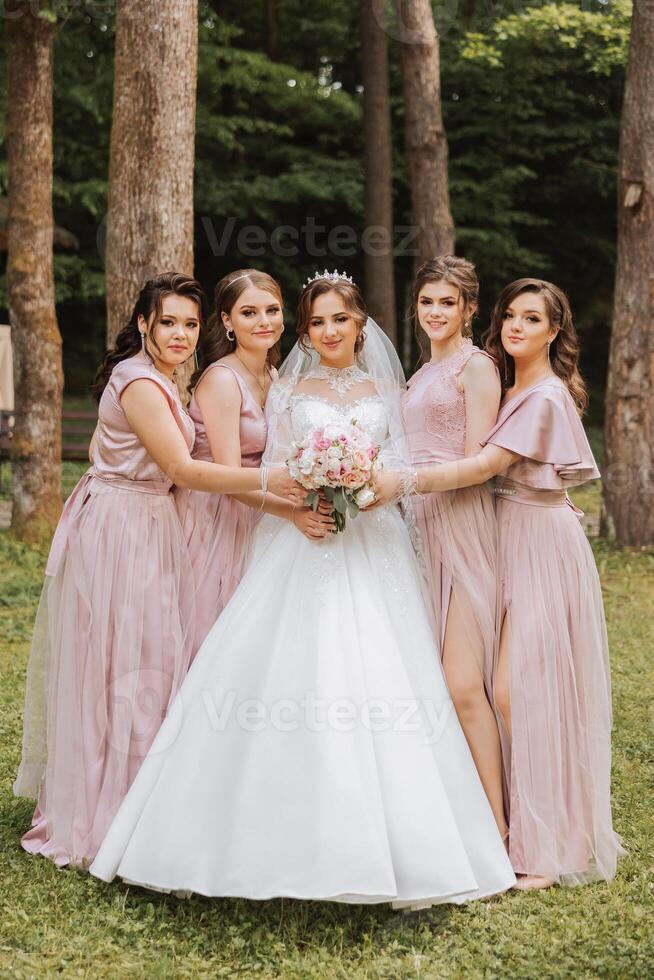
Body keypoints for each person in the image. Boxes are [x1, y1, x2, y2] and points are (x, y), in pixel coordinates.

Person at [89, 272, 515, 906]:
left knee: (389, 675)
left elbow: (398, 461)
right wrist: (309, 495)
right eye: (317, 322)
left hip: (373, 541)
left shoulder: (387, 389)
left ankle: (420, 841)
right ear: (305, 332)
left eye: (339, 319)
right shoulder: (287, 389)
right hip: (298, 538)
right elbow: (264, 467)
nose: (328, 331)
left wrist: (369, 489)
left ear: (361, 325)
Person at [14, 272, 303, 869]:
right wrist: (283, 487)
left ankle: (146, 798)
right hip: (122, 525)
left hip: (154, 521)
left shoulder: (171, 380)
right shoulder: (138, 382)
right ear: (143, 323)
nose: (179, 333)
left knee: (151, 658)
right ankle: (107, 810)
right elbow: (185, 467)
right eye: (167, 321)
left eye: (188, 324)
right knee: (127, 662)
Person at [375, 278, 624, 888]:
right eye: (512, 316)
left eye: (531, 319)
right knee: (504, 687)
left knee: (519, 692)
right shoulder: (514, 386)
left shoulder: (542, 397)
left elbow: (486, 465)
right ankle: (509, 828)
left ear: (555, 331)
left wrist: (398, 483)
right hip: (505, 534)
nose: (516, 327)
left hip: (541, 541)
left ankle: (551, 845)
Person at [177, 269, 334, 657]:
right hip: (215, 516)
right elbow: (230, 478)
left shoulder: (272, 373)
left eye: (272, 310)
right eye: (249, 313)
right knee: (211, 633)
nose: (264, 322)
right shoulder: (221, 380)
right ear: (227, 321)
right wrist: (292, 514)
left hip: (257, 511)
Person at [401, 255, 505, 836]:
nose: (435, 312)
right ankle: (453, 812)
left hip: (460, 525)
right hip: (413, 527)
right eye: (426, 302)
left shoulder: (477, 367)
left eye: (447, 302)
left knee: (464, 683)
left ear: (469, 309)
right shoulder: (419, 374)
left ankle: (498, 826)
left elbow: (477, 466)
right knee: (427, 676)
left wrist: (407, 482)